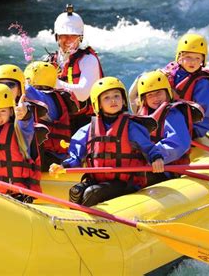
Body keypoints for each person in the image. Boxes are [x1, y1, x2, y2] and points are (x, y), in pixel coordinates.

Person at [49, 77, 164, 207]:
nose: (113, 100)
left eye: (116, 96)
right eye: (107, 98)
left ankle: (84, 221)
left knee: (92, 193)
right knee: (76, 191)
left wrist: (156, 158)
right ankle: (73, 220)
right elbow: (76, 155)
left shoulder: (131, 127)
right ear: (98, 103)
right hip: (97, 179)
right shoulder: (88, 129)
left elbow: (149, 148)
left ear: (123, 100)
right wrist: (63, 166)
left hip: (126, 183)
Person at [44, 4, 104, 133]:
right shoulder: (48, 62)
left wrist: (51, 82)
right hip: (59, 120)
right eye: (63, 35)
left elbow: (82, 94)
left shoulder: (88, 60)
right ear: (57, 37)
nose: (68, 40)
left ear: (80, 37)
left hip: (86, 122)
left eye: (73, 36)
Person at [136, 70, 204, 183]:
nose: (155, 98)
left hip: (167, 169)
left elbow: (178, 143)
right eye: (150, 95)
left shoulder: (172, 114)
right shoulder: (144, 114)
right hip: (149, 164)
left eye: (158, 93)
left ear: (168, 93)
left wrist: (153, 155)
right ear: (144, 99)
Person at [24, 61, 80, 171]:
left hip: (46, 157)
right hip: (59, 156)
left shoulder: (38, 95)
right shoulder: (56, 97)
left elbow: (23, 88)